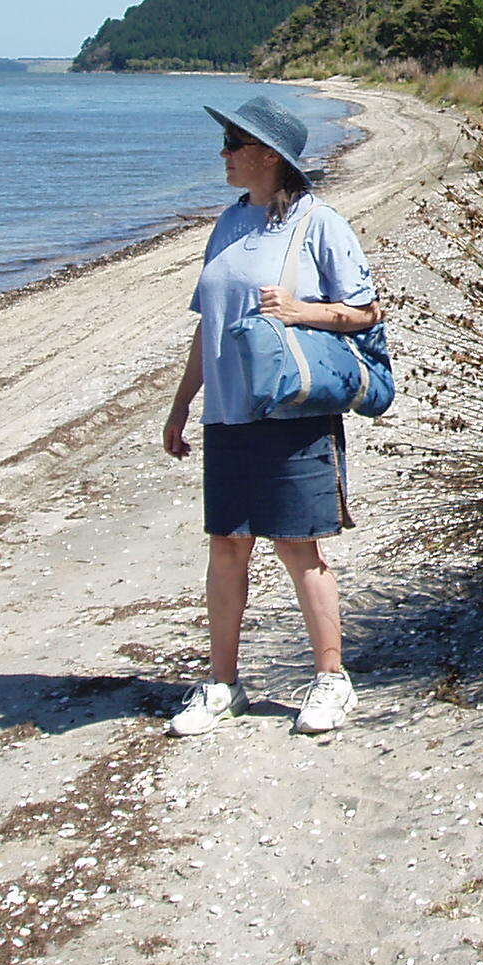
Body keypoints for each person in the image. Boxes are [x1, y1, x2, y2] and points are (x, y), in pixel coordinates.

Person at [161, 95, 382, 737]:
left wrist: (299, 310)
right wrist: (181, 407)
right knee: (227, 545)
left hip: (292, 412)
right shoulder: (227, 224)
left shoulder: (320, 225)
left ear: (267, 155)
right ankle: (223, 684)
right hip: (228, 415)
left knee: (297, 547)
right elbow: (210, 330)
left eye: (233, 143)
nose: (223, 153)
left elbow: (367, 314)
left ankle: (332, 681)